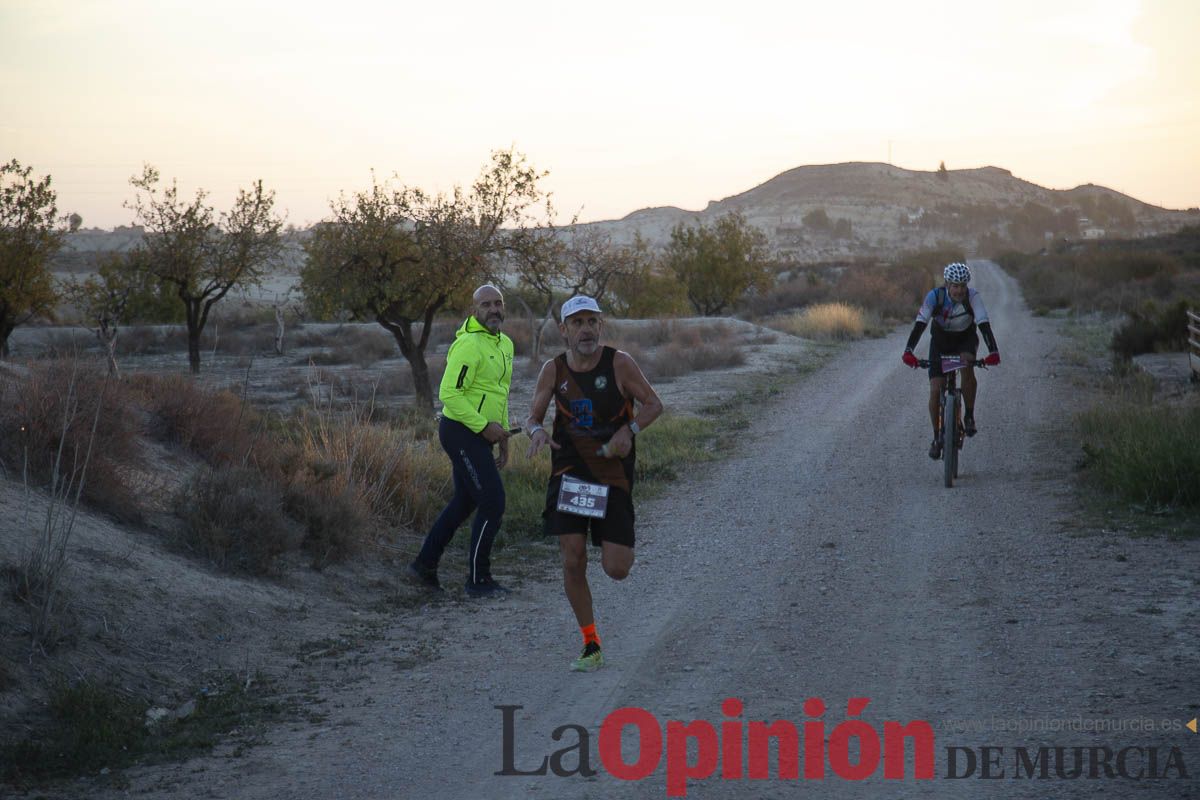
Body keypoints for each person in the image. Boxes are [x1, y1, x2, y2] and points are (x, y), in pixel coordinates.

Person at [526, 296, 663, 672]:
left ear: (600, 326)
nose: (585, 329)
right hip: (569, 474)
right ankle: (591, 644)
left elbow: (654, 404)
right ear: (564, 330)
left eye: (591, 321)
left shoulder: (619, 363)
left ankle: (617, 540)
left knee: (616, 569)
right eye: (577, 322)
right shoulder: (553, 370)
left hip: (611, 475)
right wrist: (536, 432)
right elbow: (533, 416)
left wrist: (629, 430)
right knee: (573, 558)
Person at [408, 284, 514, 597]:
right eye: (486, 305)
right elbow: (449, 394)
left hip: (484, 433)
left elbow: (500, 393)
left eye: (498, 303)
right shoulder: (468, 345)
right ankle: (478, 581)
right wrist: (484, 427)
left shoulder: (505, 343)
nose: (493, 309)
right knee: (493, 502)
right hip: (460, 433)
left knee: (465, 501)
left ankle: (423, 566)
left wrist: (504, 435)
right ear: (474, 310)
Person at [901, 261, 1001, 458]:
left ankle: (969, 416)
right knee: (936, 389)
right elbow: (920, 324)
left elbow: (983, 324)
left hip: (965, 339)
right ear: (947, 284)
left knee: (966, 366)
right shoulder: (934, 297)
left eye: (963, 285)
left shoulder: (973, 298)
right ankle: (937, 437)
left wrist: (993, 351)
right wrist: (908, 351)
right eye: (955, 286)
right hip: (941, 342)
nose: (959, 290)